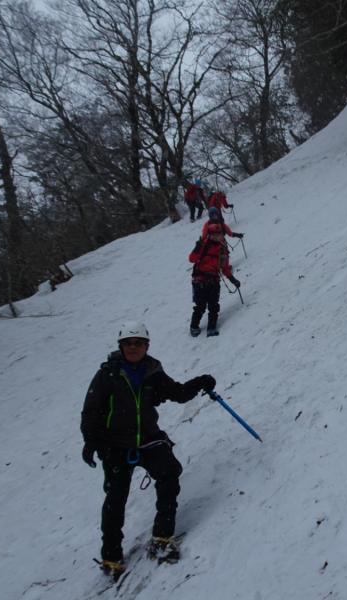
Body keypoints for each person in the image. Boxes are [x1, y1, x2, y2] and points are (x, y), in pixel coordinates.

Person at [80, 321, 216, 578]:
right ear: (121, 346)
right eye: (128, 343)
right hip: (115, 445)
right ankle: (111, 557)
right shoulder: (107, 375)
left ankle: (162, 537)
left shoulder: (152, 372)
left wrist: (201, 382)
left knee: (169, 474)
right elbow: (91, 411)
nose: (133, 347)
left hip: (148, 440)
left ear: (146, 346)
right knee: (116, 498)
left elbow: (177, 393)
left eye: (138, 343)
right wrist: (91, 442)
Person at [189, 230, 241, 337]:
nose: (217, 236)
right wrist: (197, 248)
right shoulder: (203, 245)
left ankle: (211, 328)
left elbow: (225, 268)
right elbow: (192, 259)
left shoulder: (222, 249)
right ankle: (194, 327)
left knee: (213, 306)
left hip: (214, 281)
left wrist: (233, 280)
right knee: (200, 306)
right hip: (200, 281)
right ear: (210, 235)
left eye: (219, 234)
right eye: (214, 234)